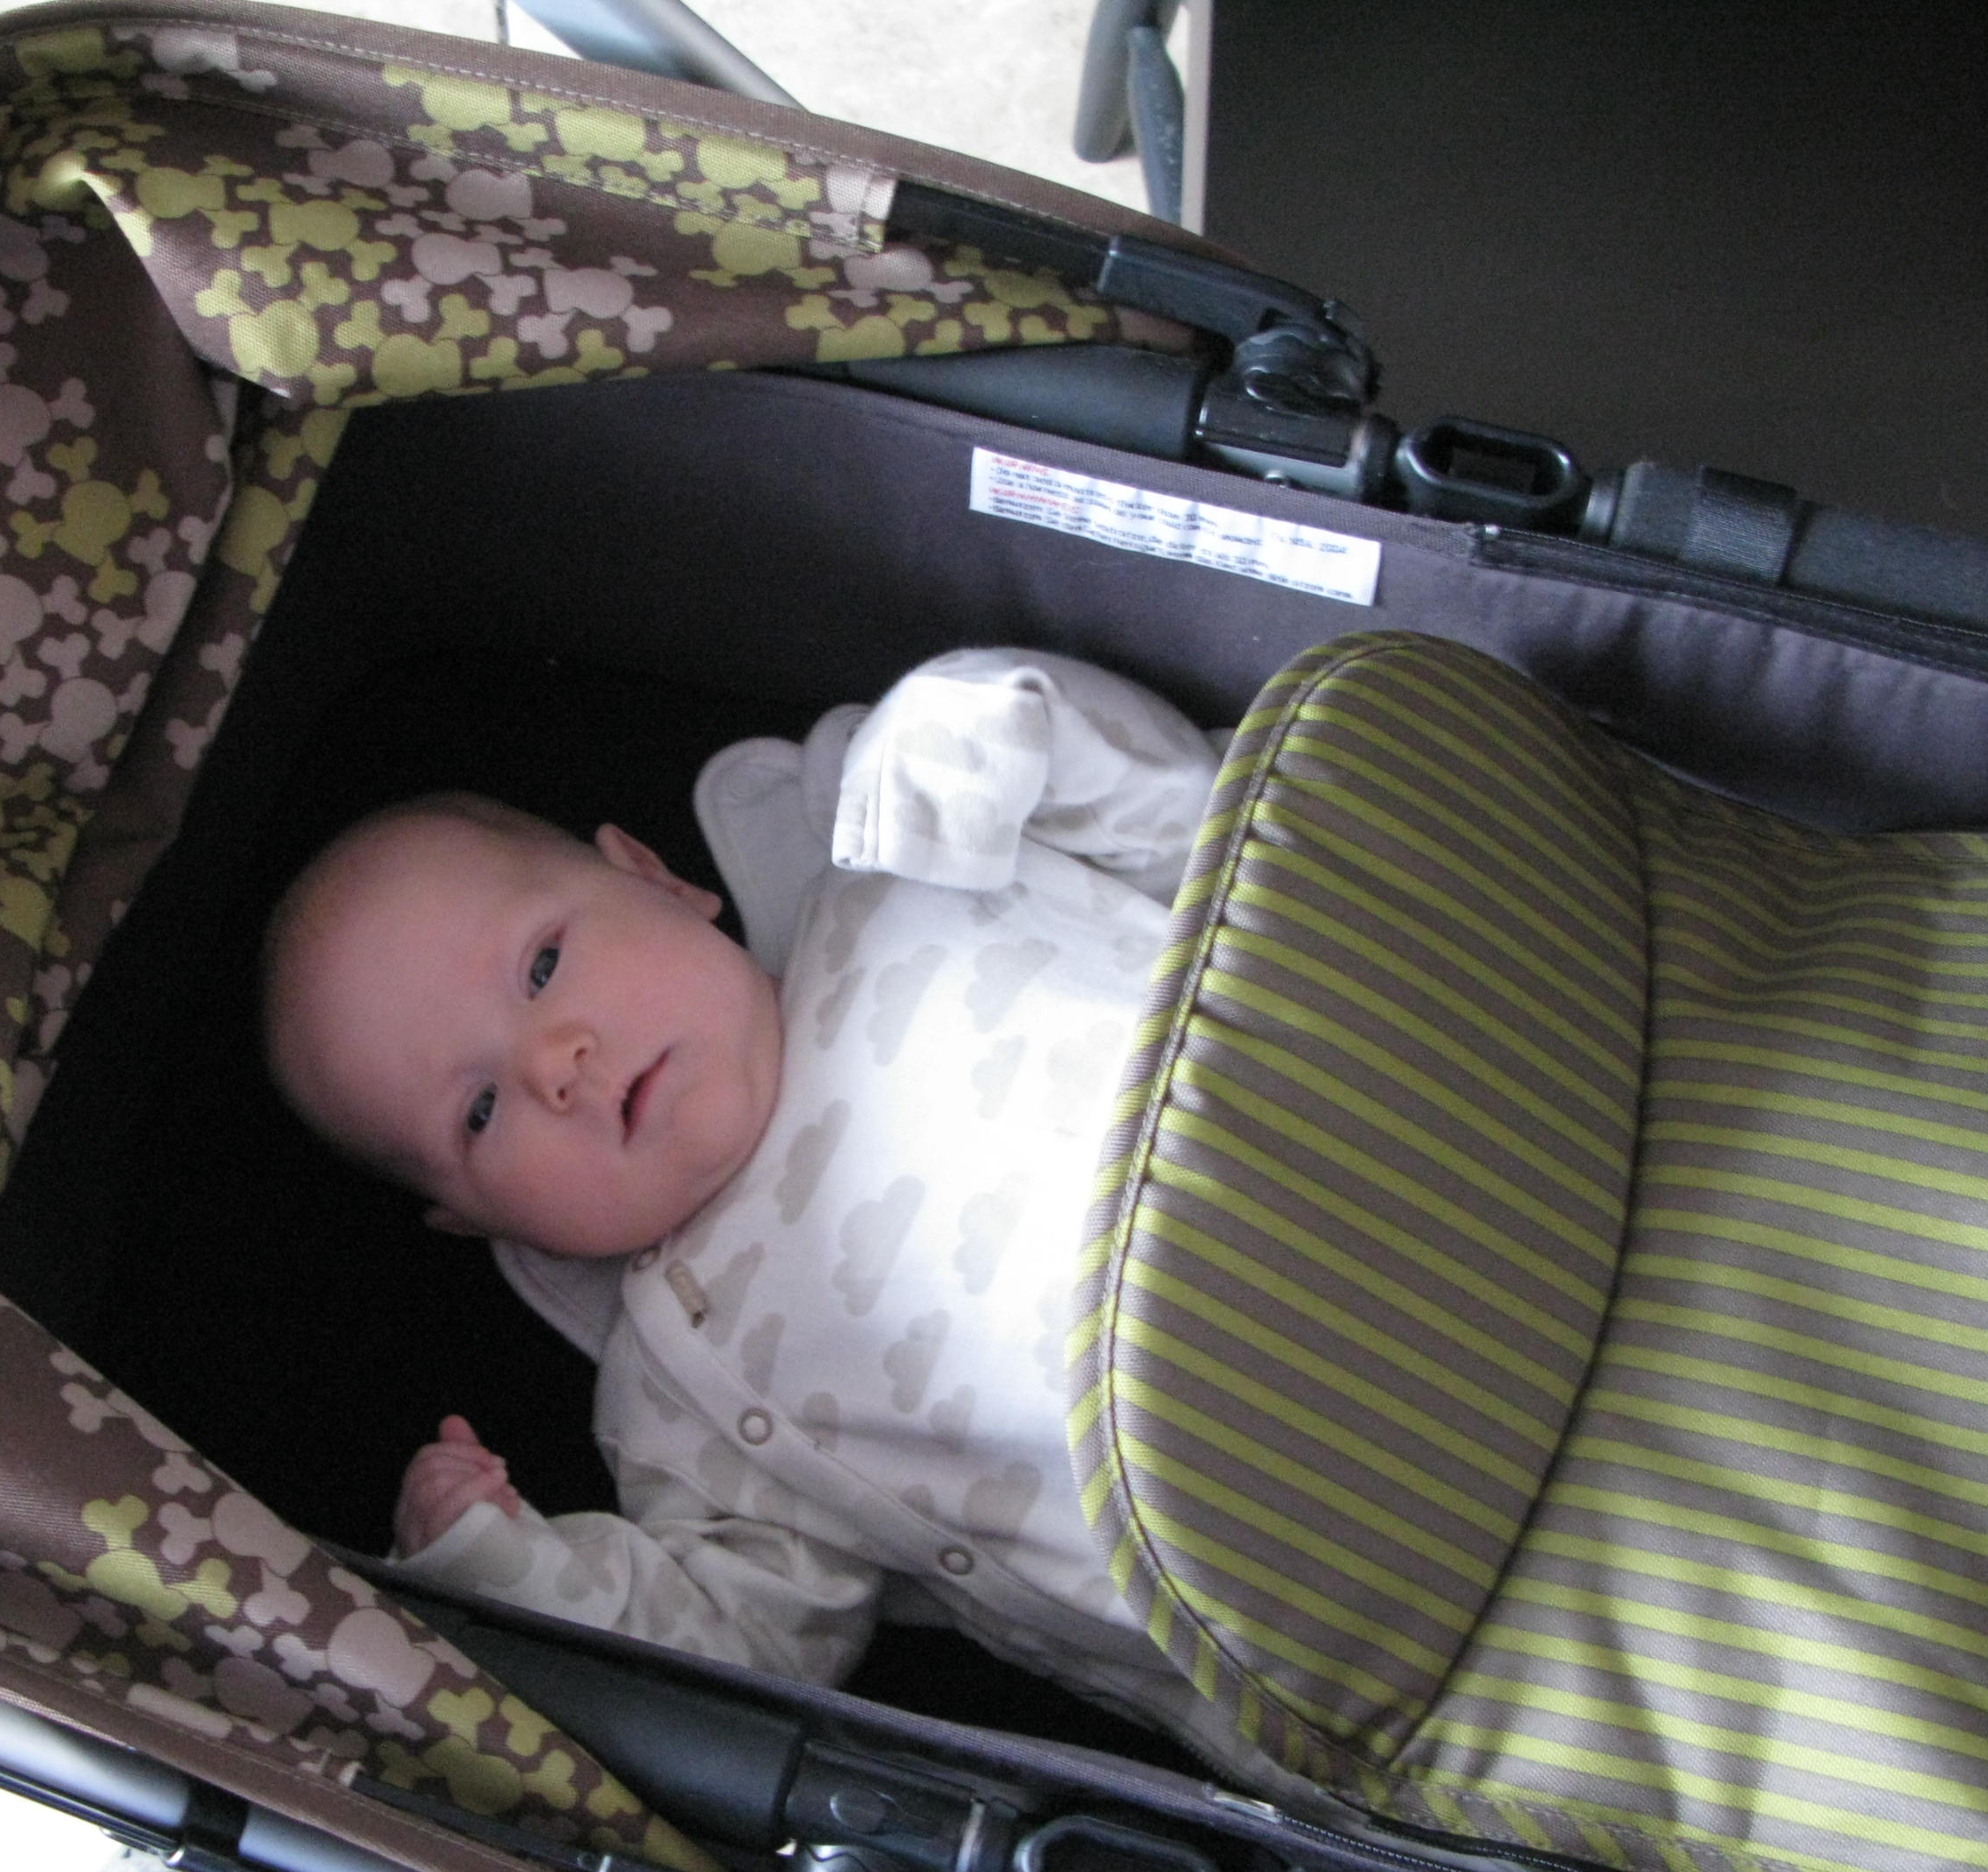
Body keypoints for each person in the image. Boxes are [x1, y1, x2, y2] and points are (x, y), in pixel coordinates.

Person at [262, 650, 1248, 1756]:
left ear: (655, 878)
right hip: (1301, 1578)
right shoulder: (689, 1385)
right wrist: (511, 1574)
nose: (555, 1062)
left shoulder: (904, 864)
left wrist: (994, 724)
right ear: (488, 1227)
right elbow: (741, 1651)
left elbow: (1210, 833)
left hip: (1350, 1119)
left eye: (542, 968)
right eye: (482, 1112)